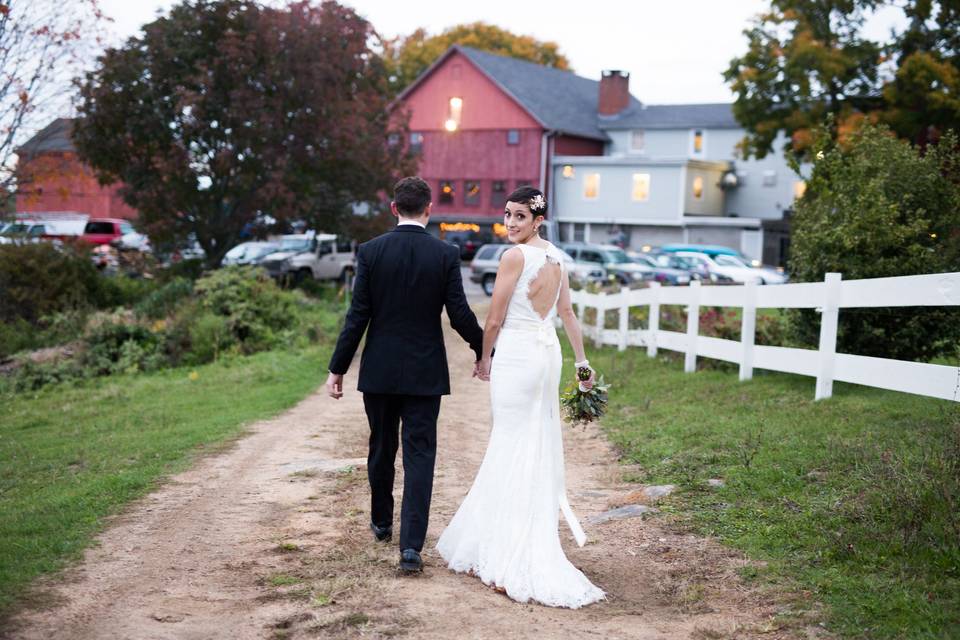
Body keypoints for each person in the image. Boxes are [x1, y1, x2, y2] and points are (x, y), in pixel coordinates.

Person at [436, 186, 605, 608]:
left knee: (510, 442)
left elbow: (494, 318)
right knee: (532, 441)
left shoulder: (515, 257)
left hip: (517, 354)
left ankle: (507, 551)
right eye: (507, 215)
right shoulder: (556, 258)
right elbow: (566, 314)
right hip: (548, 355)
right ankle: (516, 537)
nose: (510, 224)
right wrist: (582, 365)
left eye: (519, 218)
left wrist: (484, 357)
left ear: (537, 220)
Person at [325, 176, 484, 574]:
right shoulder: (445, 254)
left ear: (394, 208)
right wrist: (485, 347)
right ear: (429, 210)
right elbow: (458, 314)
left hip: (379, 369)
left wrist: (337, 367)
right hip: (425, 372)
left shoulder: (371, 252)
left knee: (381, 447)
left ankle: (381, 522)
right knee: (419, 456)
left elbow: (357, 315)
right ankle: (410, 548)